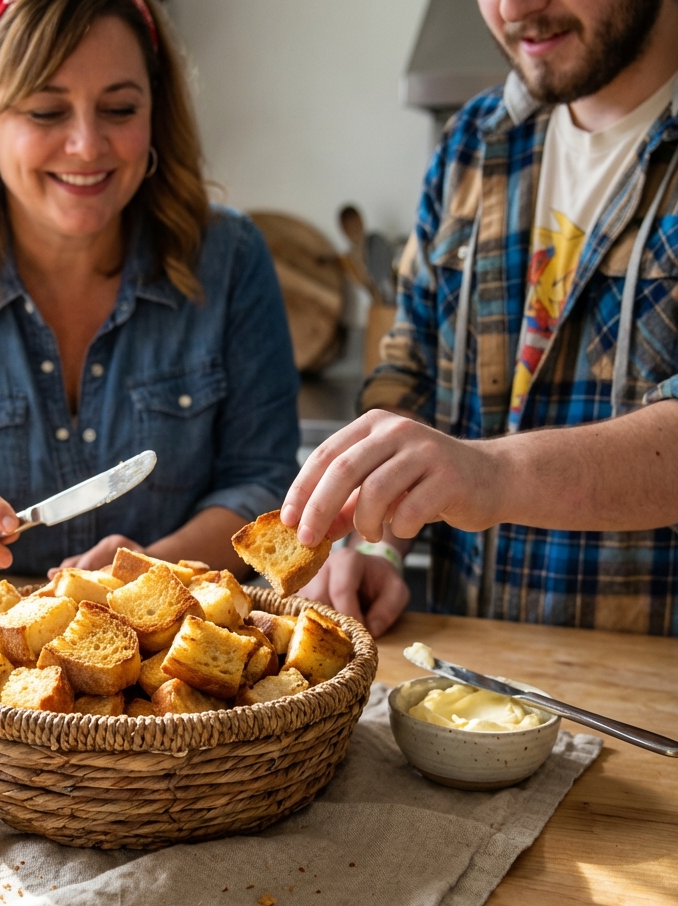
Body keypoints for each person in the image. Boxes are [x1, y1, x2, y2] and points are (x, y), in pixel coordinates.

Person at [0, 0, 299, 604]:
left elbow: (262, 486)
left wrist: (148, 573)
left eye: (120, 108)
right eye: (47, 111)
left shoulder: (229, 259)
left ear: (155, 109)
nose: (86, 145)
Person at [286, 0, 678, 637]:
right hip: (474, 686)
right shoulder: (474, 142)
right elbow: (411, 365)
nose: (513, 8)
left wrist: (496, 475)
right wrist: (378, 542)